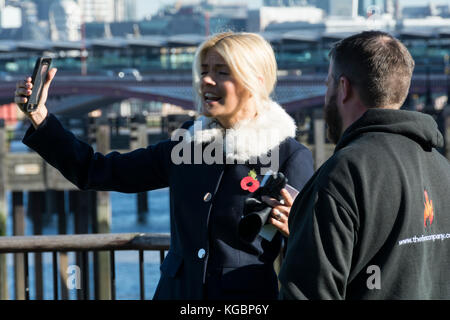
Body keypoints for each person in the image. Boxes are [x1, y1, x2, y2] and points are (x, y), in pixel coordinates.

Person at [15, 32, 314, 300]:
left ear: (255, 82)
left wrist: (298, 231)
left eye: (222, 72)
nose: (206, 81)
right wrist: (41, 119)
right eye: (204, 71)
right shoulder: (188, 143)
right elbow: (98, 170)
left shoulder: (289, 155)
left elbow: (313, 255)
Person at [279, 30, 450, 299]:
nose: (326, 96)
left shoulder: (342, 174)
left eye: (328, 85)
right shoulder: (442, 169)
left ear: (343, 88)